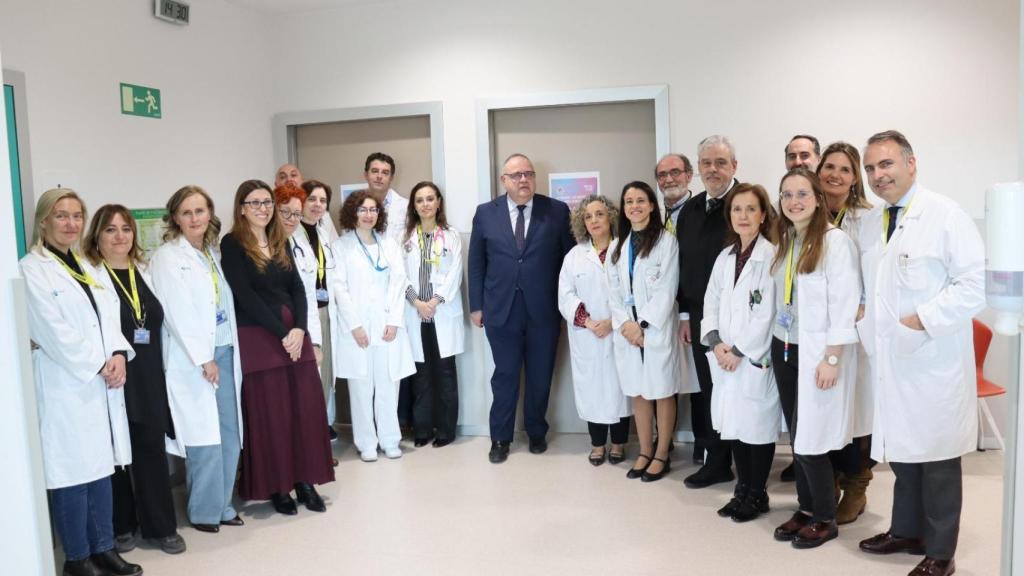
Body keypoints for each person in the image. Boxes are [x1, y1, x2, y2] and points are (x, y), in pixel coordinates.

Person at [856, 131, 984, 576]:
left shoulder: (945, 214)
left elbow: (975, 284)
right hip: (893, 360)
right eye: (870, 168)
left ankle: (941, 553)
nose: (878, 175)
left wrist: (922, 319)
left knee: (939, 457)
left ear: (911, 163)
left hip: (933, 358)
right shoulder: (873, 222)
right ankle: (906, 530)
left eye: (886, 164)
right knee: (905, 452)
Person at [21, 188, 142, 576]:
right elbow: (50, 329)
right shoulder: (31, 269)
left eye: (77, 215)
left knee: (100, 467)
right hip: (65, 384)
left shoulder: (86, 266)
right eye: (61, 215)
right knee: (71, 473)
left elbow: (109, 319)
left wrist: (120, 354)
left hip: (99, 383)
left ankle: (103, 548)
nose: (71, 223)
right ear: (43, 221)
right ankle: (77, 558)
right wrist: (99, 363)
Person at [220, 179, 334, 515]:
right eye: (254, 203)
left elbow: (298, 288)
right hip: (260, 337)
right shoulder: (232, 244)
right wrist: (282, 332)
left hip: (293, 337)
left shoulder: (278, 239)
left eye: (266, 202)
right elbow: (245, 295)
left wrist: (299, 329)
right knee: (272, 416)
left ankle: (304, 481)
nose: (262, 208)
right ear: (242, 208)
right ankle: (278, 486)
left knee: (304, 412)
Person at [82, 205, 185, 554]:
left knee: (151, 451)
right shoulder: (90, 276)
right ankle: (122, 525)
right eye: (110, 230)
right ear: (97, 235)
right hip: (114, 377)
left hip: (150, 376)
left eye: (126, 229)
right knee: (116, 454)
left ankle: (161, 527)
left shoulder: (146, 270)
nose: (120, 236)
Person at [769, 168, 860, 549]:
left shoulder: (834, 242)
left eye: (802, 193)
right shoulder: (788, 238)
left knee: (814, 437)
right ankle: (806, 509)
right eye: (787, 194)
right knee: (796, 431)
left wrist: (833, 359)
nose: (794, 201)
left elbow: (845, 303)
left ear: (818, 199)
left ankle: (825, 516)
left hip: (818, 353)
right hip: (785, 346)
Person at [149, 186, 246, 532]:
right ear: (175, 217)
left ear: (209, 214)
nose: (194, 219)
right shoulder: (166, 258)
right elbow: (177, 313)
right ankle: (204, 511)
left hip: (225, 350)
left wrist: (222, 353)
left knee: (230, 433)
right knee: (205, 437)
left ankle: (223, 505)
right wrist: (204, 358)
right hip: (196, 359)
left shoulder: (211, 253)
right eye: (187, 213)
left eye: (200, 211)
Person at [468, 153, 575, 463]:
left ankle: (536, 431)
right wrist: (476, 305)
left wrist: (570, 308)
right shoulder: (485, 213)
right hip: (500, 310)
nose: (523, 179)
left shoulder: (556, 211)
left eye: (528, 173)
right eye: (516, 175)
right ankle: (500, 438)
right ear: (504, 180)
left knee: (541, 375)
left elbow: (569, 262)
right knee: (505, 376)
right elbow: (476, 263)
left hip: (544, 311)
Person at [700, 183, 780, 522]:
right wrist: (716, 342)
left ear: (763, 216)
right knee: (734, 426)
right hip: (725, 357)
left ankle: (757, 492)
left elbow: (768, 314)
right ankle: (742, 489)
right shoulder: (725, 257)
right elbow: (711, 302)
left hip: (752, 359)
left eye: (750, 209)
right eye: (736, 209)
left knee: (756, 429)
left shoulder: (772, 256)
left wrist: (739, 350)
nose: (743, 216)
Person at [331, 190, 416, 461]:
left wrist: (393, 321)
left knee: (389, 385)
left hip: (386, 325)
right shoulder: (341, 246)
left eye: (373, 210)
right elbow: (339, 288)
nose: (369, 215)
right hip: (358, 328)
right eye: (362, 209)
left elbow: (399, 281)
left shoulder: (388, 243)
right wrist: (354, 325)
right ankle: (366, 442)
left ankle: (390, 439)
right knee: (361, 386)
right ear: (352, 213)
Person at [817, 141, 876, 524]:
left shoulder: (867, 218)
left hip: (856, 327)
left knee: (859, 409)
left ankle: (857, 483)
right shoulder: (807, 211)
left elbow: (875, 268)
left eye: (844, 169)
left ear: (855, 179)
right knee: (829, 405)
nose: (835, 175)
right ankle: (834, 475)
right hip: (820, 327)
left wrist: (863, 304)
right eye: (829, 167)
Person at [606, 181, 681, 482]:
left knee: (661, 390)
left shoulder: (666, 241)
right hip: (628, 330)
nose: (634, 206)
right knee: (638, 390)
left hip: (655, 329)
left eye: (640, 200)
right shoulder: (617, 246)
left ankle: (662, 453)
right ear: (623, 209)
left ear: (652, 205)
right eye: (628, 201)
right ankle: (644, 450)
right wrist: (626, 324)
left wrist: (643, 325)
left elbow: (668, 288)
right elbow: (613, 292)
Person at [677, 135, 739, 488]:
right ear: (698, 169)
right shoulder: (691, 208)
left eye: (720, 162)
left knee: (738, 388)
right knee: (709, 389)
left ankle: (745, 460)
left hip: (739, 316)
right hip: (702, 316)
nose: (713, 169)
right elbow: (684, 263)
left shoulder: (748, 203)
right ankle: (717, 460)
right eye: (706, 163)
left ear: (734, 166)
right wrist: (686, 314)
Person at [557, 194, 631, 466]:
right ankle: (598, 444)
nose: (594, 220)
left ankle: (620, 444)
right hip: (587, 335)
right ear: (582, 223)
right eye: (588, 216)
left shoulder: (624, 250)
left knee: (620, 390)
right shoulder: (574, 257)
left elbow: (632, 293)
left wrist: (612, 322)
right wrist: (588, 322)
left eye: (599, 214)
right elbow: (565, 295)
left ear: (611, 216)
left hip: (619, 331)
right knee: (592, 391)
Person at [400, 182, 465, 448]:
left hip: (442, 313)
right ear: (414, 206)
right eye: (419, 200)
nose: (425, 204)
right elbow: (399, 276)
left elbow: (455, 273)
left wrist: (434, 301)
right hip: (416, 314)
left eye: (430, 199)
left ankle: (446, 430)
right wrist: (417, 302)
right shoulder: (405, 239)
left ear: (438, 203)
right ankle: (423, 429)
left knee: (445, 374)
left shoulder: (450, 236)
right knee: (421, 375)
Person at [654, 154, 700, 456]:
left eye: (675, 172)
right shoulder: (654, 216)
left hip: (691, 308)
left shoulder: (701, 211)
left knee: (697, 381)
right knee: (661, 376)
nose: (669, 179)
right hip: (660, 311)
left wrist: (685, 311)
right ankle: (663, 439)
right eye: (662, 175)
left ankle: (704, 445)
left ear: (689, 175)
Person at [298, 180, 341, 442]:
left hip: (326, 312)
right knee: (308, 382)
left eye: (323, 201)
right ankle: (309, 442)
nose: (317, 205)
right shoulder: (291, 235)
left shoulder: (323, 234)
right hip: (306, 316)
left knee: (324, 379)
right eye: (311, 199)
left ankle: (319, 439)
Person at [363, 152, 408, 242]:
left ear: (391, 178)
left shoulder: (406, 206)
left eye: (385, 173)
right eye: (375, 171)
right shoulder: (354, 206)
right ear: (366, 175)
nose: (379, 176)